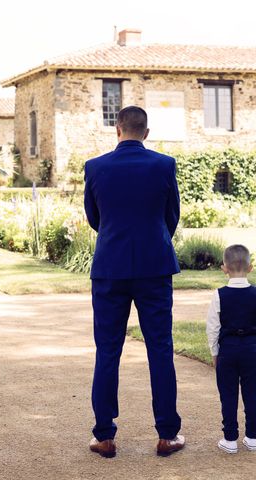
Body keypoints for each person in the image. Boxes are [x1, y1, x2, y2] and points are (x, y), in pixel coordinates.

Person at [83, 106, 185, 458]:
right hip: (154, 267)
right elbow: (171, 215)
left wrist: (116, 239)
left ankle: (104, 435)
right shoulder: (163, 165)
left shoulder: (95, 167)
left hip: (110, 268)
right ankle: (167, 435)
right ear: (146, 132)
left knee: (107, 351)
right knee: (160, 349)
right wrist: (154, 240)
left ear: (118, 130)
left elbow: (94, 217)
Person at [206, 244, 256, 454]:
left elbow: (213, 327)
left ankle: (230, 438)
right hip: (251, 349)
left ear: (224, 268)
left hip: (228, 350)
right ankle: (252, 437)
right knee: (252, 394)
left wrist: (214, 352)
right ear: (250, 267)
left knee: (228, 394)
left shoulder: (219, 295)